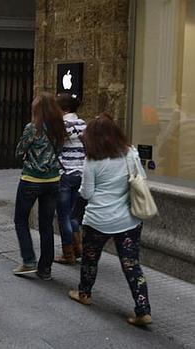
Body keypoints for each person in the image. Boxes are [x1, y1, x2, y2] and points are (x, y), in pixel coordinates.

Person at [68, 113, 152, 327]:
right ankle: (143, 310)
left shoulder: (92, 160)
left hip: (98, 220)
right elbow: (140, 178)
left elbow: (86, 193)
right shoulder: (130, 153)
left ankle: (84, 294)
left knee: (90, 259)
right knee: (131, 264)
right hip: (128, 220)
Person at [12, 92, 66, 280]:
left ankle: (29, 261)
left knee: (20, 220)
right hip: (52, 181)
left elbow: (20, 150)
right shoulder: (60, 128)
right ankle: (45, 269)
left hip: (31, 180)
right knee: (46, 225)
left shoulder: (32, 128)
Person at [54, 93, 87, 264]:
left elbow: (55, 147)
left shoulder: (61, 125)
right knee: (74, 214)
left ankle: (68, 254)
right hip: (81, 173)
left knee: (63, 215)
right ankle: (78, 247)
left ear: (64, 109)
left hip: (65, 173)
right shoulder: (83, 124)